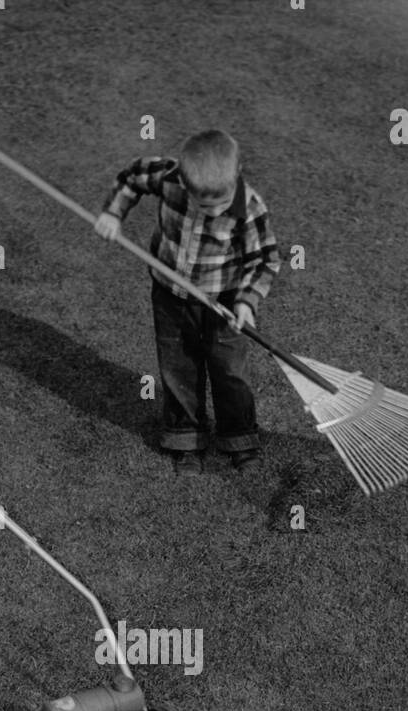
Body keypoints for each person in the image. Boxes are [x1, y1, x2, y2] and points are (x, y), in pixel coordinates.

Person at [95, 129, 280, 475]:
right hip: (169, 295)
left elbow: (265, 260)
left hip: (223, 303)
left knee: (230, 372)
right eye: (203, 205)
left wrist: (246, 302)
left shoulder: (249, 208)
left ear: (237, 173)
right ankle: (186, 439)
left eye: (219, 205)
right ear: (183, 177)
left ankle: (239, 439)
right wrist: (113, 213)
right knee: (178, 367)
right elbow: (134, 176)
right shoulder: (169, 178)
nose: (212, 212)